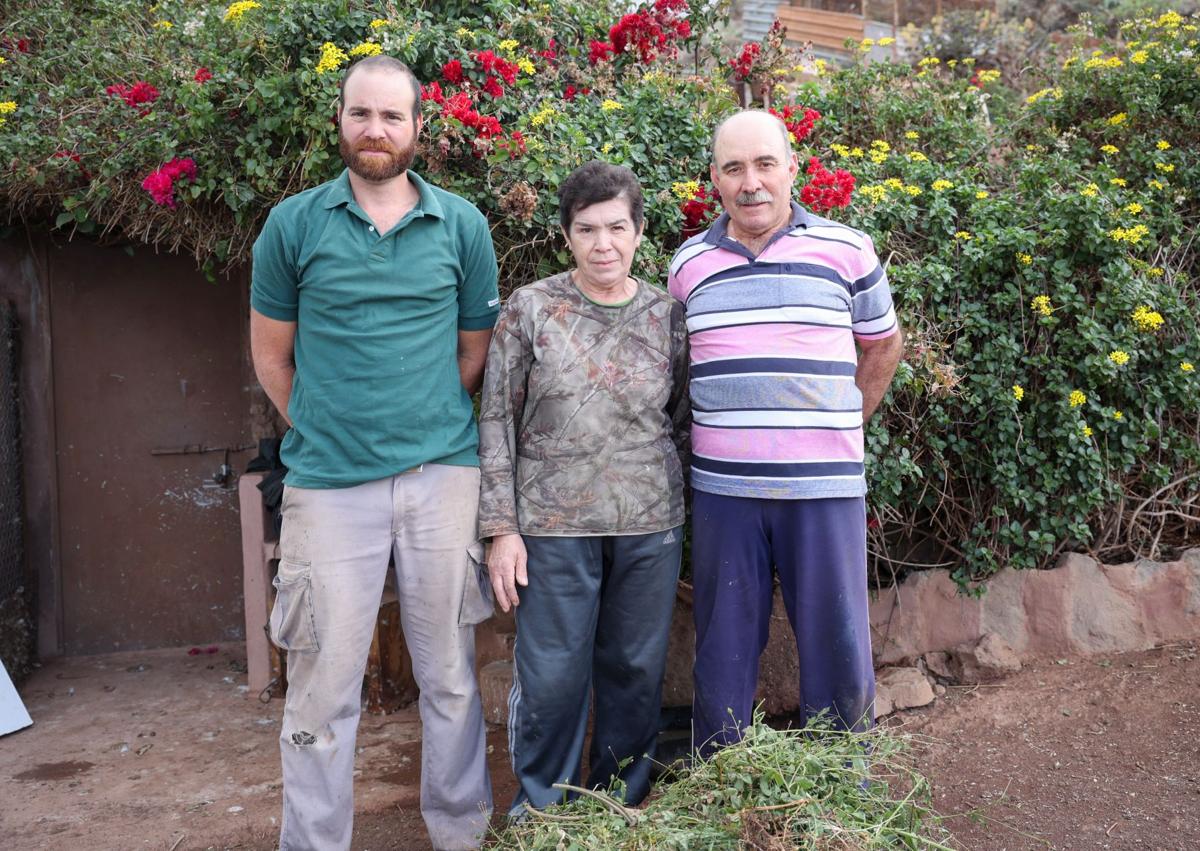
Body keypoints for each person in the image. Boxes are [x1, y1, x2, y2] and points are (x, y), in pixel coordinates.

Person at [249, 55, 498, 851]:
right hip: (327, 487)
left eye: (393, 116)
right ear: (340, 121)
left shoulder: (462, 226)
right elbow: (272, 359)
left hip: (441, 478)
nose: (376, 130)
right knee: (321, 688)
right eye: (362, 113)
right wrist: (326, 428)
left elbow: (472, 354)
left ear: (419, 127)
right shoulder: (292, 225)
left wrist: (421, 427)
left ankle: (460, 832)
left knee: (452, 679)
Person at [667, 110, 904, 755]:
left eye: (765, 164)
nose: (752, 182)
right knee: (724, 645)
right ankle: (721, 784)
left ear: (791, 168)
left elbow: (882, 346)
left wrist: (839, 424)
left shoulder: (847, 250)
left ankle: (840, 785)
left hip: (822, 487)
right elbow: (683, 365)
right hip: (724, 490)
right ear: (714, 178)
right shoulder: (687, 265)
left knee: (836, 639)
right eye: (735, 167)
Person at [477, 160, 690, 814]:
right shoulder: (531, 309)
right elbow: (494, 417)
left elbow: (680, 420)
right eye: (587, 229)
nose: (604, 244)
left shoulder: (666, 314)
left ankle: (617, 807)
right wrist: (501, 527)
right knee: (553, 681)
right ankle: (542, 813)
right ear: (565, 235)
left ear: (639, 231)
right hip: (552, 529)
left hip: (648, 527)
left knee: (633, 673)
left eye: (617, 227)